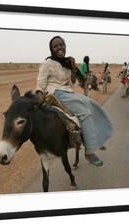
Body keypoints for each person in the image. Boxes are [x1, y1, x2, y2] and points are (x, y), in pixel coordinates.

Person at [35, 36, 113, 166]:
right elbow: (40, 83)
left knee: (93, 105)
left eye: (61, 45)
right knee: (84, 113)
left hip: (67, 92)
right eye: (56, 46)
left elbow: (72, 83)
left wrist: (73, 68)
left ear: (65, 46)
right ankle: (89, 152)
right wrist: (38, 95)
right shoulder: (47, 64)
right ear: (51, 49)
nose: (59, 48)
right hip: (55, 93)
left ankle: (96, 139)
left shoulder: (67, 62)